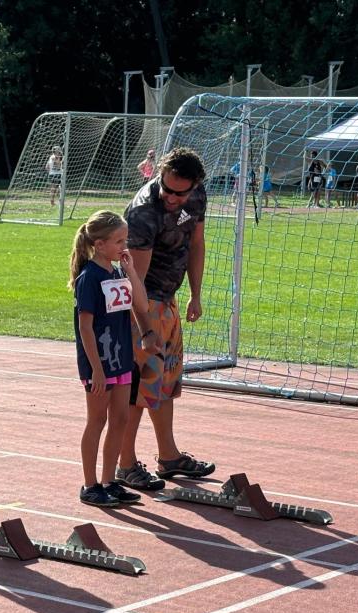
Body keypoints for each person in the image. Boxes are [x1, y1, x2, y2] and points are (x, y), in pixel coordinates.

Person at [115, 147, 216, 492]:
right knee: (142, 388)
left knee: (167, 384)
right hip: (144, 306)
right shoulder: (144, 212)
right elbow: (135, 281)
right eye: (167, 189)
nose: (172, 197)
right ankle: (125, 464)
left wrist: (196, 294)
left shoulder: (196, 195)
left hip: (167, 300)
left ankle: (169, 457)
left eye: (179, 192)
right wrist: (145, 329)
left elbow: (197, 243)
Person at [70, 211, 158, 507]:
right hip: (99, 362)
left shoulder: (118, 272)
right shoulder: (89, 277)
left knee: (119, 419)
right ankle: (90, 484)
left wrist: (131, 271)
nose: (125, 245)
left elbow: (142, 304)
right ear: (99, 243)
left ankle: (110, 481)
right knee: (97, 420)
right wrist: (95, 368)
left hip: (122, 359)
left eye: (126, 239)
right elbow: (85, 325)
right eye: (119, 241)